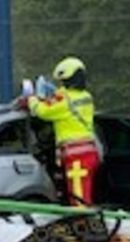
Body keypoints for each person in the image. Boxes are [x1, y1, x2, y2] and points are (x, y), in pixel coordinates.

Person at [26, 57, 99, 205]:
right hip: (89, 152)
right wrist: (54, 94)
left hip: (76, 154)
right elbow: (63, 99)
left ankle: (83, 224)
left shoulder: (64, 101)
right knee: (83, 192)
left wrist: (31, 98)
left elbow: (42, 112)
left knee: (79, 198)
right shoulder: (86, 97)